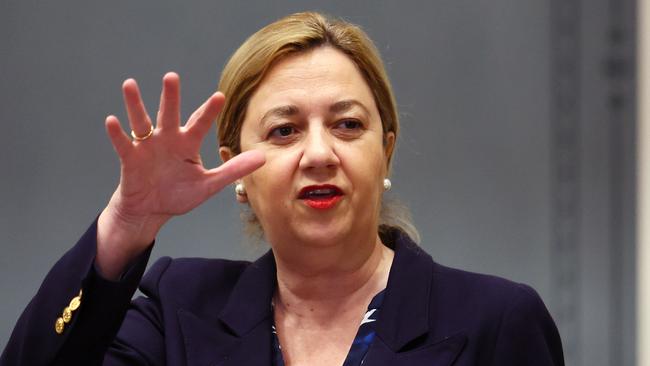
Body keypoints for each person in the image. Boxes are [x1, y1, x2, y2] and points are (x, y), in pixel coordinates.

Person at [1, 11, 564, 366]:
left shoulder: (495, 321)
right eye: (284, 130)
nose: (319, 153)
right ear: (238, 170)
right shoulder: (177, 314)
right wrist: (127, 224)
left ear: (385, 150)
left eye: (347, 125)